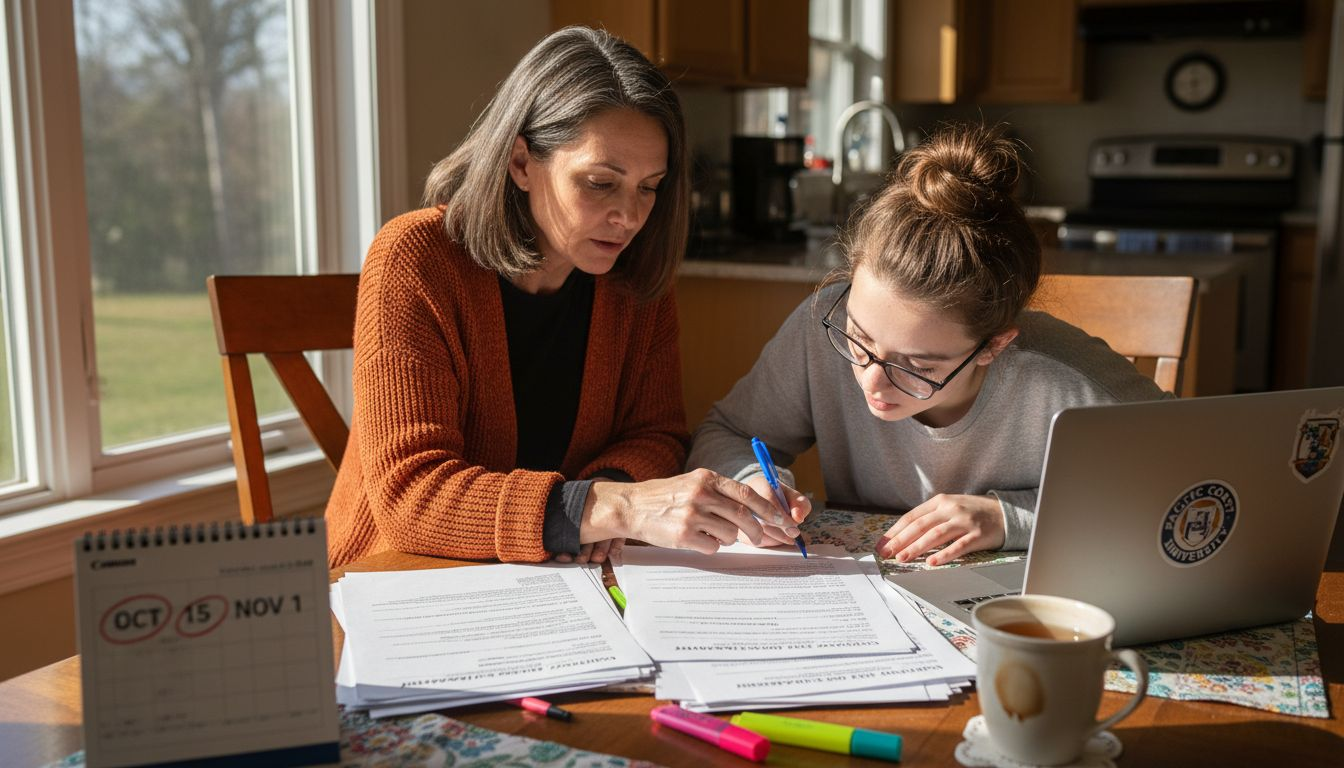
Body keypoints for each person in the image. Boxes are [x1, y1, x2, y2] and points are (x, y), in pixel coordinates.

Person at [325, 27, 795, 568]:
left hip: (561, 577)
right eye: (600, 182)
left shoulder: (632, 278)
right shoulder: (415, 257)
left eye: (650, 186)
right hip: (400, 579)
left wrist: (601, 507)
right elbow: (412, 498)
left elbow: (657, 435)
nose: (631, 217)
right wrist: (611, 508)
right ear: (521, 163)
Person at [688, 123, 1167, 566]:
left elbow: (1184, 494)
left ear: (993, 347)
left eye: (916, 365)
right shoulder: (819, 325)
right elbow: (728, 432)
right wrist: (752, 485)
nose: (871, 380)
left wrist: (1008, 517)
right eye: (859, 337)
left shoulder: (1065, 380)